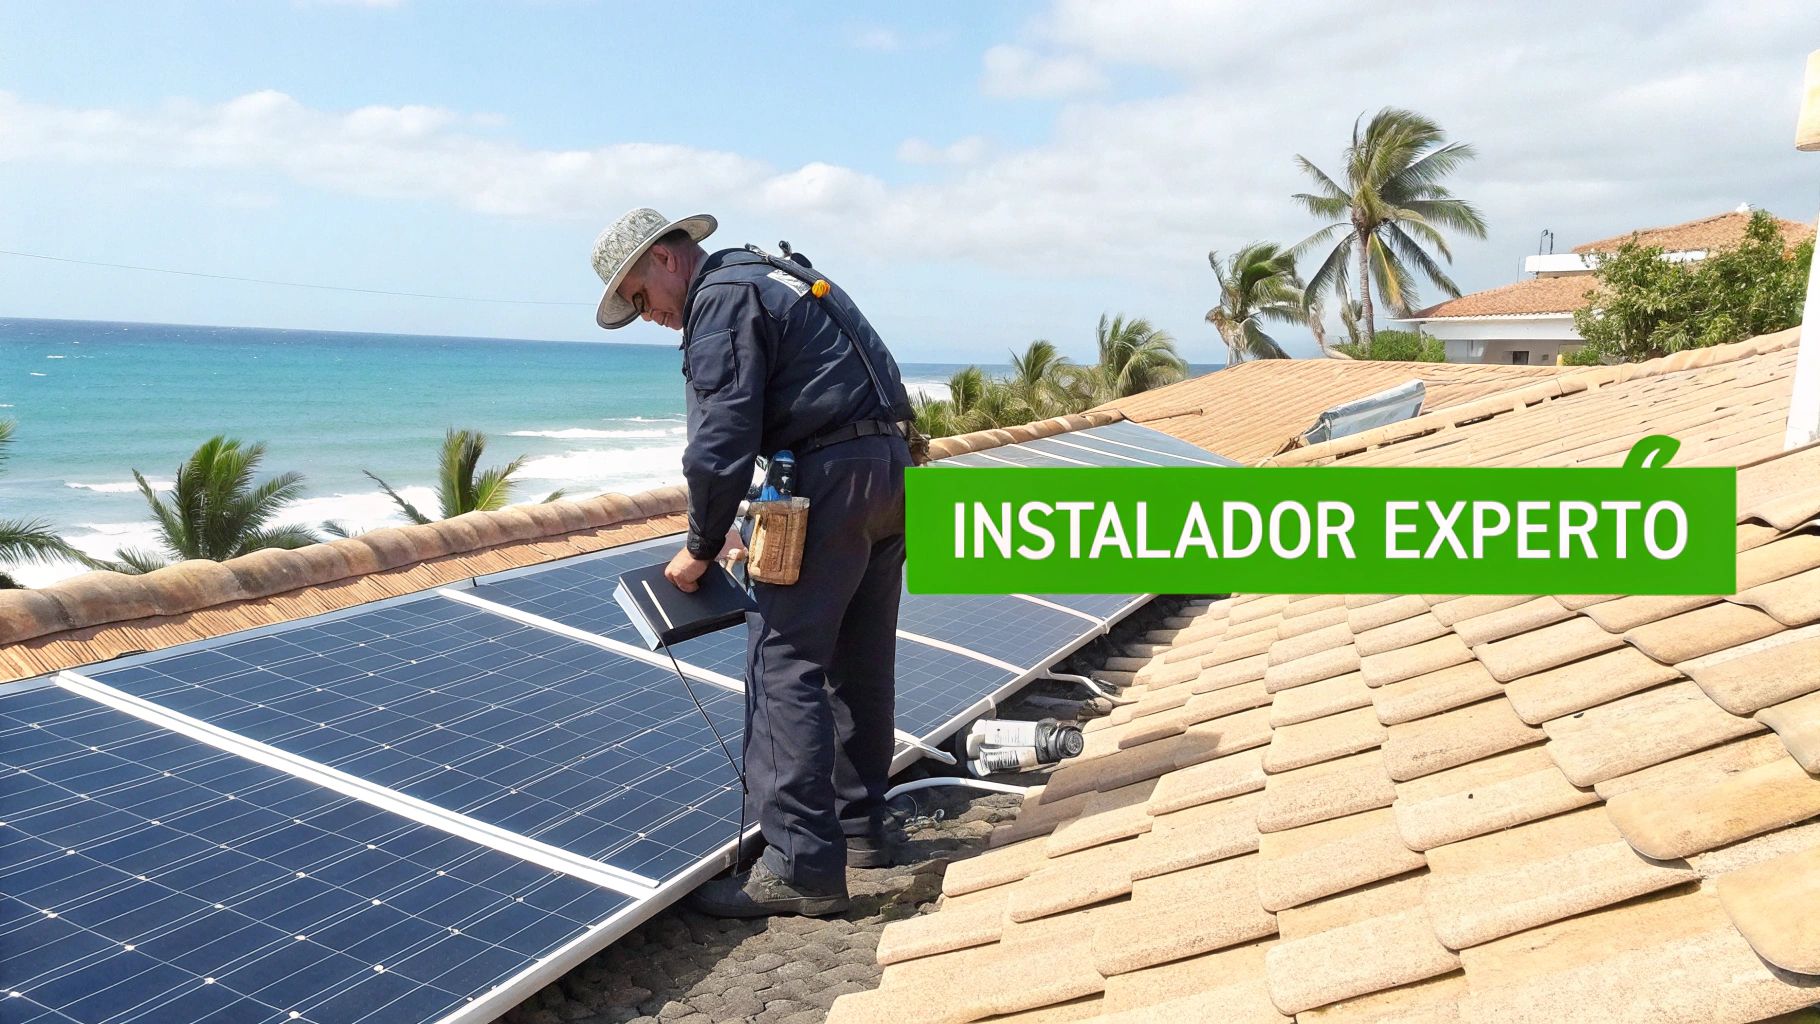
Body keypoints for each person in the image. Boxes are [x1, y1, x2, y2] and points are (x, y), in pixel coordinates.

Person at [588, 207, 916, 917]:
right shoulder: (773, 274)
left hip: (833, 479)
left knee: (783, 661)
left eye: (641, 299)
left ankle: (801, 867)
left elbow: (719, 439)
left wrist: (700, 545)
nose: (649, 318)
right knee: (857, 661)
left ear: (668, 260)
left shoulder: (721, 299)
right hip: (889, 472)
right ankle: (861, 831)